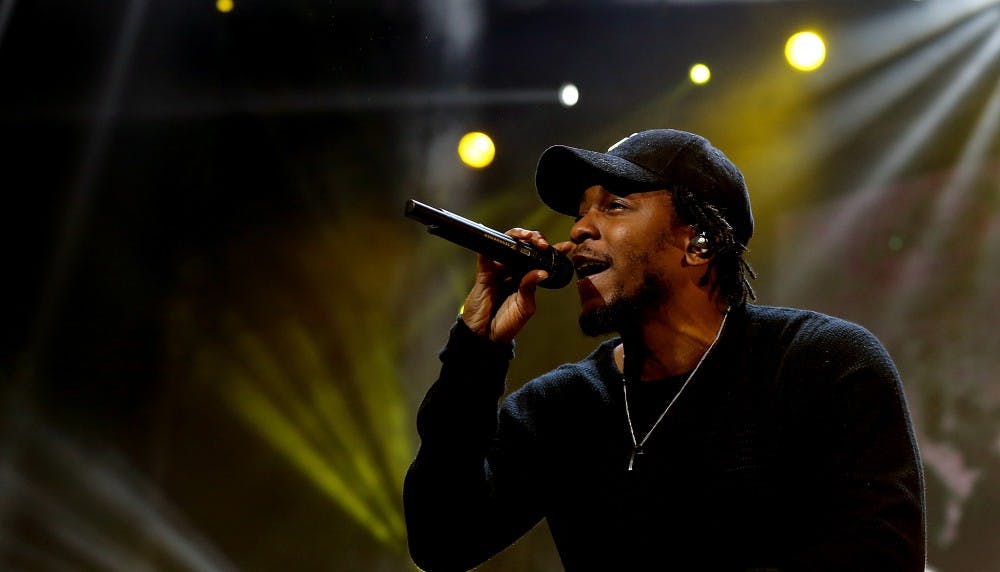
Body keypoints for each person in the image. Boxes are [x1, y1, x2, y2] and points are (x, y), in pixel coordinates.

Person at [403, 129, 926, 571]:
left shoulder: (823, 365)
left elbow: (880, 558)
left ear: (700, 242)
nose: (579, 228)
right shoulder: (564, 408)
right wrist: (477, 351)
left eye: (614, 205)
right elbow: (442, 540)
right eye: (581, 211)